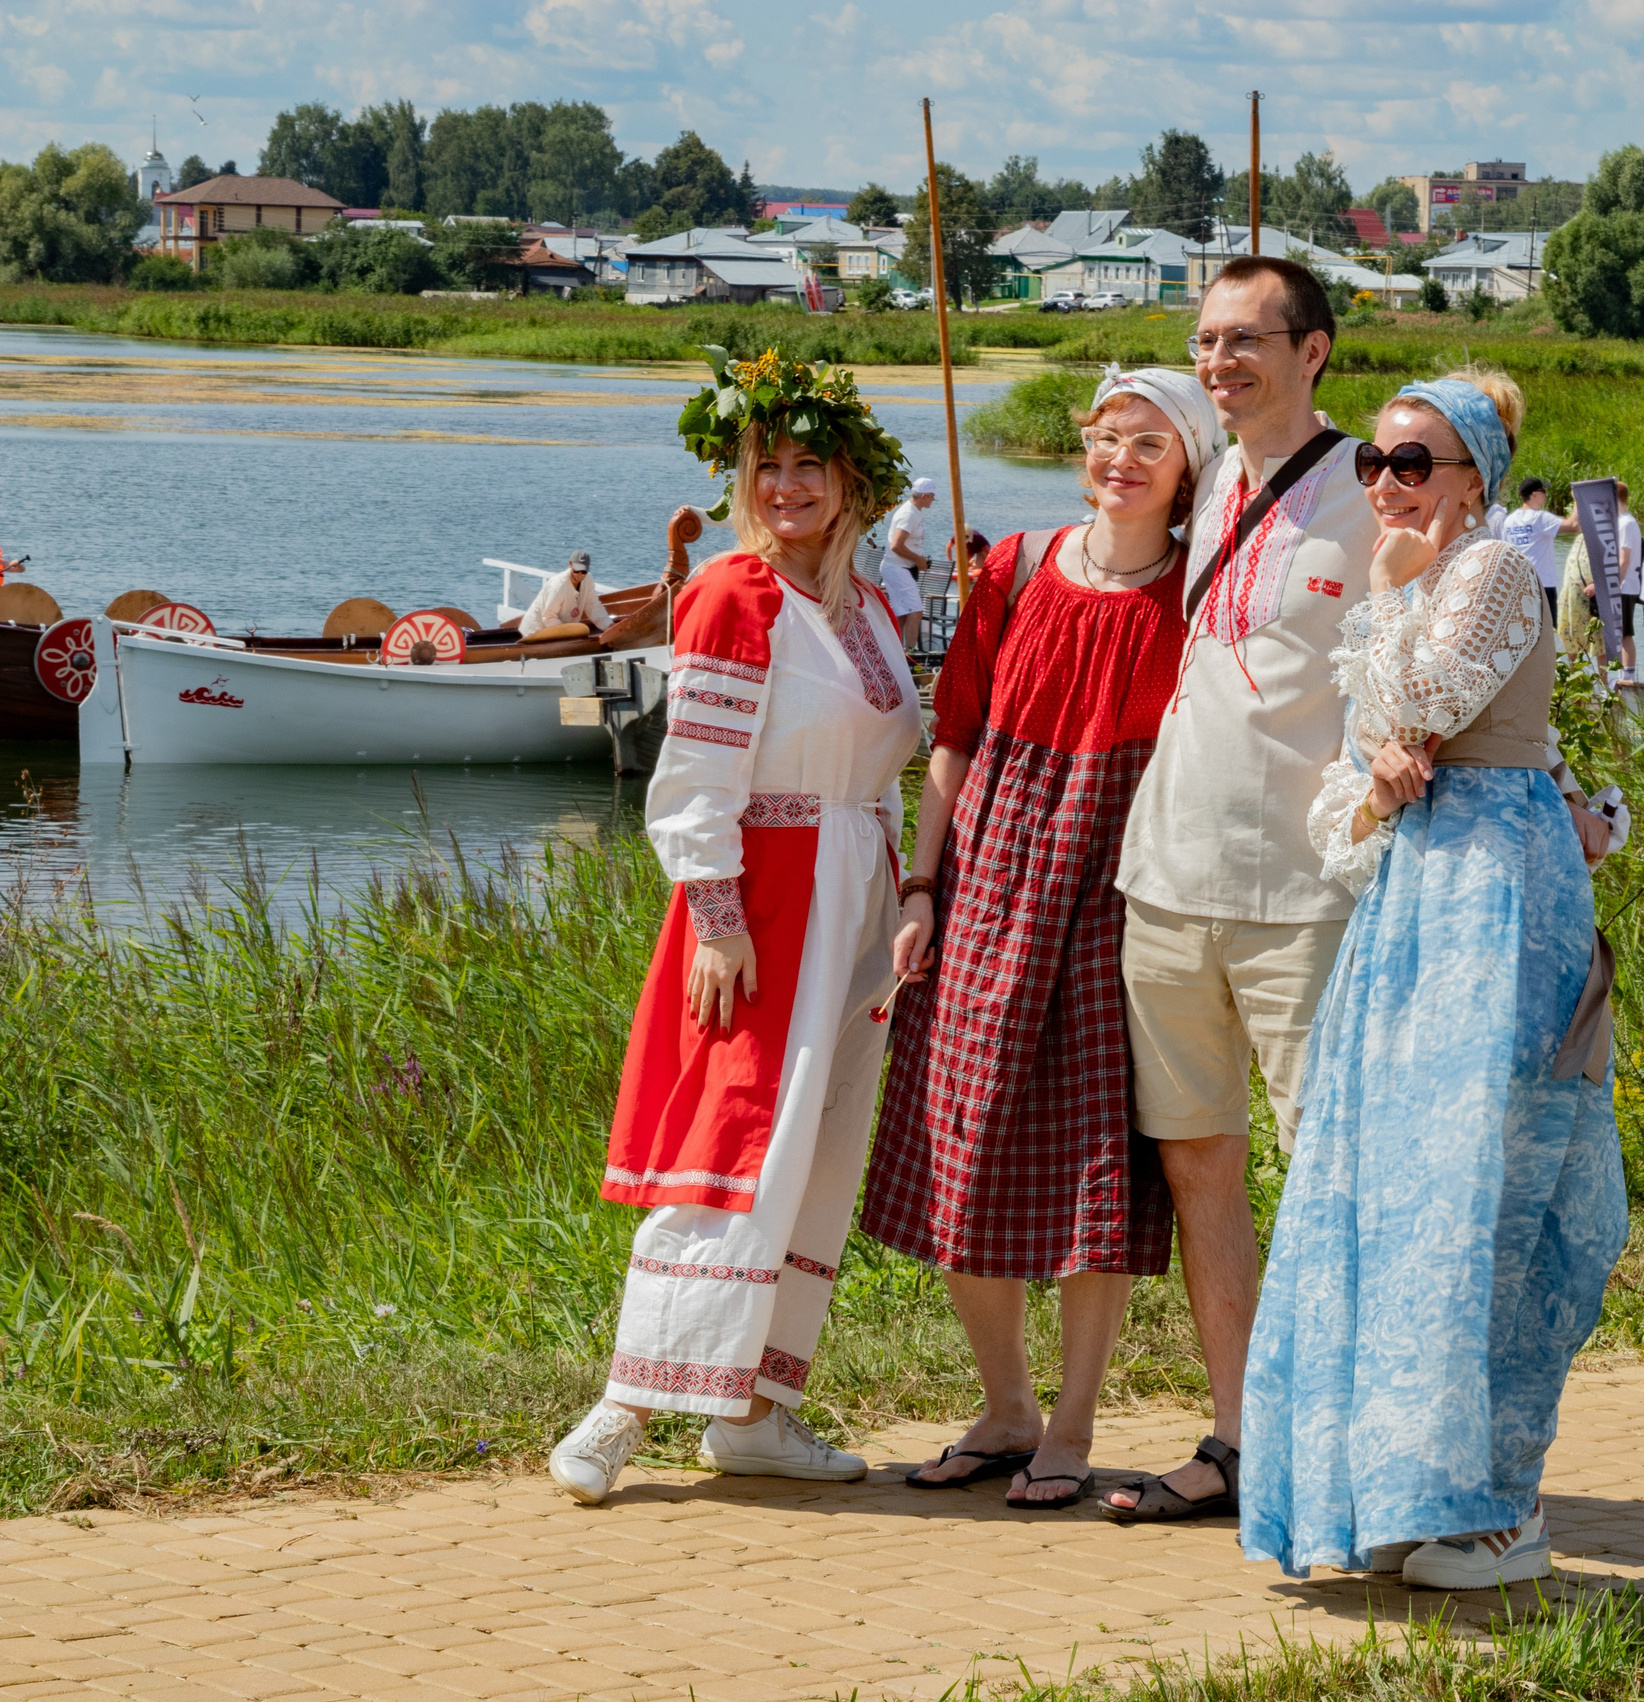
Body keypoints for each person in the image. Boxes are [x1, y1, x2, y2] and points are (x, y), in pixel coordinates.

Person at [1240, 366, 1627, 1590]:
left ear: (1475, 481)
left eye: (1413, 464)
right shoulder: (1404, 583)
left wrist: (1390, 611)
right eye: (1373, 464)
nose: (1385, 485)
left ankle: (1496, 1505)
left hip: (1500, 899)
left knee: (1484, 1183)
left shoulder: (1500, 569)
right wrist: (1372, 786)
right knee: (1391, 1182)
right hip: (1414, 903)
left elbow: (1425, 703)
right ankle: (1395, 1488)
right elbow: (1361, 775)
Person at [547, 349, 920, 1504]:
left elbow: (887, 767)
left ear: (852, 480)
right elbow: (697, 770)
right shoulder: (733, 594)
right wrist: (714, 914)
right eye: (769, 465)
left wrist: (907, 891)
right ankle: (622, 1408)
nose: (788, 486)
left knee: (816, 1151)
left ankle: (757, 1410)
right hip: (767, 896)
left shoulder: (866, 606)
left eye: (811, 465)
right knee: (734, 1141)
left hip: (854, 897)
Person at [858, 367, 1220, 1510]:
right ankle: (1005, 1407)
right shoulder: (1010, 568)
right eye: (1106, 438)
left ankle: (1072, 1422)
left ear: (1188, 466)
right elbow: (954, 736)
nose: (1120, 460)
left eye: (1148, 444)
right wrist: (921, 886)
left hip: (1123, 881)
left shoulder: (1202, 593)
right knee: (962, 1140)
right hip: (991, 872)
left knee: (1092, 1161)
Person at [1100, 254, 1373, 1523]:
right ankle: (1240, 1438)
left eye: (1245, 340)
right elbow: (1110, 487)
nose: (1219, 363)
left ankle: (1348, 1442)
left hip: (1305, 894)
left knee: (1328, 1169)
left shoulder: (1376, 497)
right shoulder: (1206, 484)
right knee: (1201, 1169)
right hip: (1166, 881)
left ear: (1312, 349)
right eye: (1205, 340)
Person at [1497, 477, 1577, 625]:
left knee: (1524, 630)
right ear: (1534, 495)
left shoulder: (1509, 520)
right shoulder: (1540, 518)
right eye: (1543, 491)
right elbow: (1574, 525)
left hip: (1519, 584)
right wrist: (1578, 500)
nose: (1546, 495)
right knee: (1547, 630)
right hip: (1542, 584)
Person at [877, 477, 937, 650]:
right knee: (916, 612)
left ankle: (895, 651)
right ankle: (910, 653)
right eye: (932, 496)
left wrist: (918, 558)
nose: (933, 499)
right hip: (897, 567)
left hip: (901, 567)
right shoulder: (908, 514)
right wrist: (918, 560)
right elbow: (896, 545)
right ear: (924, 495)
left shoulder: (914, 511)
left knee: (903, 613)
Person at [519, 550, 609, 639]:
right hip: (535, 630)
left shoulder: (588, 580)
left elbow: (593, 606)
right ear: (570, 564)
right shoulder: (558, 586)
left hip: (559, 629)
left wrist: (608, 626)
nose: (580, 574)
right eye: (576, 570)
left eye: (583, 571)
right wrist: (567, 634)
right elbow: (548, 616)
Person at [1613, 480, 1644, 683]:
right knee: (1620, 632)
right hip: (1624, 585)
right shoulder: (1622, 521)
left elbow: (1624, 559)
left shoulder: (1626, 523)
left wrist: (1614, 586)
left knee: (1625, 633)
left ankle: (1627, 677)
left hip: (1624, 586)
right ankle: (1621, 675)